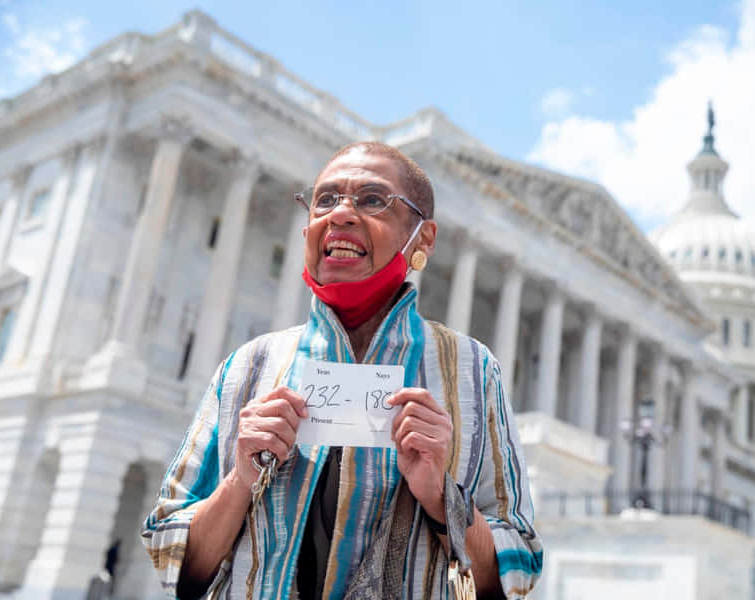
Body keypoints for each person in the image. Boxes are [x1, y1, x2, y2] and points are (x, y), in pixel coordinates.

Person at [142, 142, 542, 599]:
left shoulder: (472, 370)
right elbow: (173, 562)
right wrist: (239, 480)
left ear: (423, 239)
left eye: (373, 200)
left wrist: (441, 497)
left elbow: (519, 570)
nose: (340, 214)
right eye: (325, 199)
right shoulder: (249, 364)